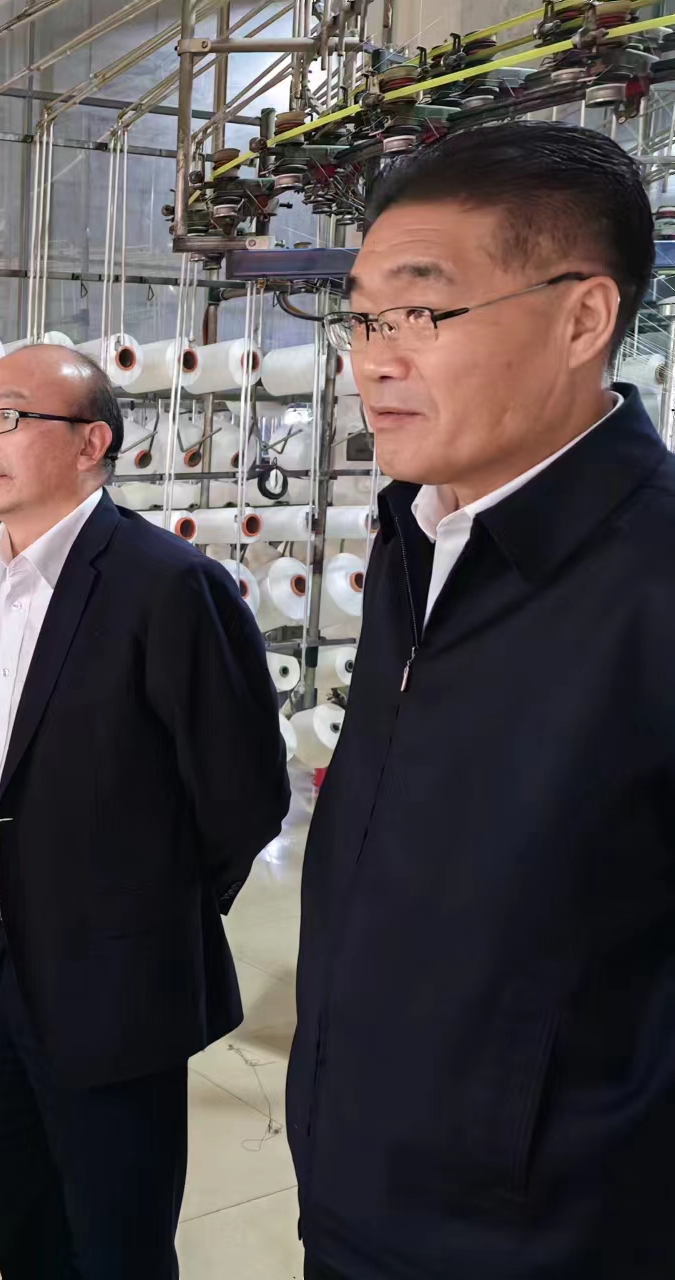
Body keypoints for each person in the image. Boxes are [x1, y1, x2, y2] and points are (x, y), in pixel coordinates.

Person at [288, 121, 675, 1280]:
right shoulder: (418, 538)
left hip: (545, 1240)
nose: (372, 360)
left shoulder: (650, 586)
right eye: (362, 318)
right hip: (352, 1195)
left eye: (420, 312)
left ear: (580, 318)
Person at [0, 344, 290, 1279]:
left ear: (91, 442)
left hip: (112, 973)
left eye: (8, 419)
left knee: (117, 1240)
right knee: (23, 1222)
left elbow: (245, 794)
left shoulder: (166, 584)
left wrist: (142, 915)